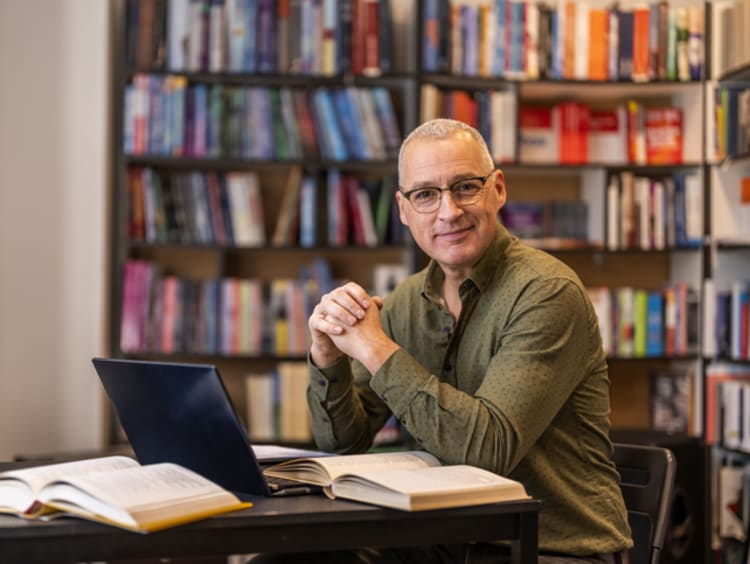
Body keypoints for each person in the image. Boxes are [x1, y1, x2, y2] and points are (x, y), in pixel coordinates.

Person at [301, 118, 632, 563]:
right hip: (445, 542)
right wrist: (328, 359)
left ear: (497, 189)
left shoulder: (548, 292)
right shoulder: (404, 303)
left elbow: (486, 452)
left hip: (549, 550)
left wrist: (373, 347)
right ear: (403, 209)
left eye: (465, 187)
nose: (449, 211)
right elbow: (344, 446)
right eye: (425, 194)